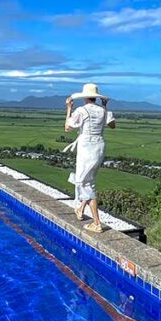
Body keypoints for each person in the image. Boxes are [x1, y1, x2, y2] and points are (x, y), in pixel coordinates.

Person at [63, 83, 115, 232]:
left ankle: (97, 223)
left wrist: (68, 109)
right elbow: (112, 126)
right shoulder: (103, 111)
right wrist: (105, 108)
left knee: (85, 182)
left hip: (86, 148)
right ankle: (80, 208)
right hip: (99, 146)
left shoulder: (81, 110)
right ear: (96, 97)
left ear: (85, 96)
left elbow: (67, 128)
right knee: (87, 179)